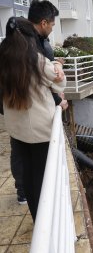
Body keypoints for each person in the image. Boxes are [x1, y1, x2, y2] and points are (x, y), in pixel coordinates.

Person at [0, 17, 66, 221]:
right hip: (40, 130)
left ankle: (38, 217)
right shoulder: (36, 60)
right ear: (30, 37)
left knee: (28, 175)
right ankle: (48, 219)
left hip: (16, 129)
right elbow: (59, 85)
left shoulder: (2, 59)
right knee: (44, 176)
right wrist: (58, 66)